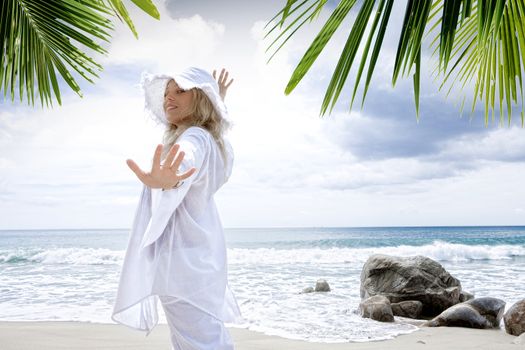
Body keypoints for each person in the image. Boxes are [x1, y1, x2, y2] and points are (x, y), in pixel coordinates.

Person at [112, 67, 243, 350]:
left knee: (199, 342)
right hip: (200, 258)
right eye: (167, 93)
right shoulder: (210, 139)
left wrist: (169, 180)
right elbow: (203, 137)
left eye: (180, 91)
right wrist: (216, 99)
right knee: (205, 338)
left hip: (182, 262)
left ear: (199, 100)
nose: (168, 98)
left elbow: (187, 159)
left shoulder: (194, 138)